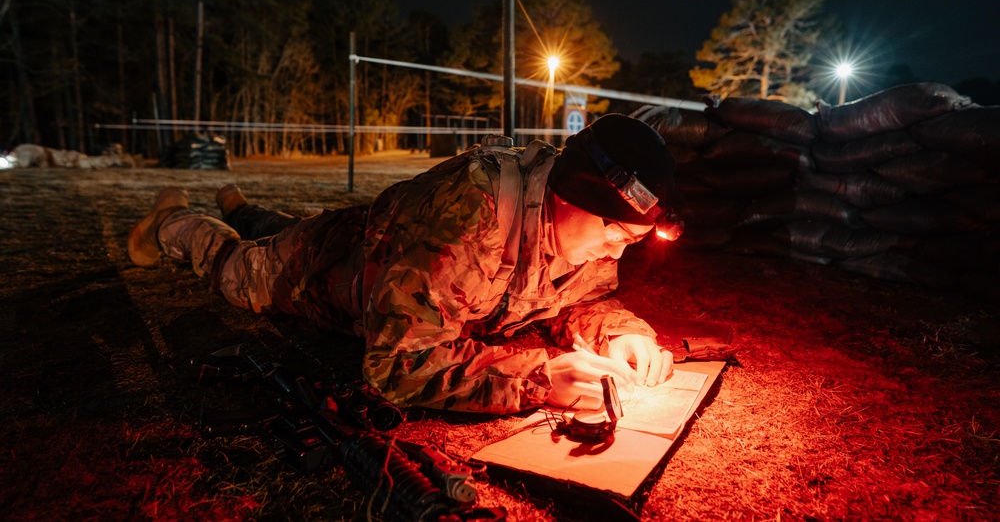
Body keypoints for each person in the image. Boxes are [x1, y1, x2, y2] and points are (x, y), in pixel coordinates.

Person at [128, 114, 683, 415]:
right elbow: (396, 364)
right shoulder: (472, 215)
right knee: (241, 275)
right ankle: (173, 221)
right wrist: (538, 379)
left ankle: (242, 207)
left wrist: (621, 333)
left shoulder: (582, 233)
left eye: (632, 241)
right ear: (567, 197)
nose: (617, 251)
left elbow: (582, 301)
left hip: (382, 239)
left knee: (275, 227)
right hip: (333, 268)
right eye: (615, 231)